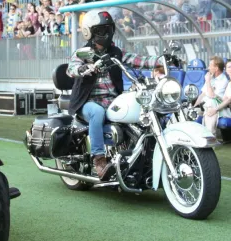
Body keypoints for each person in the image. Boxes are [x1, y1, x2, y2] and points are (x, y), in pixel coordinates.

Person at [66, 10, 177, 180]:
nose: (106, 33)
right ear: (90, 32)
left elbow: (139, 60)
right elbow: (71, 69)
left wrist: (162, 60)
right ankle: (99, 159)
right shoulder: (84, 52)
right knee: (97, 112)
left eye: (109, 28)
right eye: (101, 30)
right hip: (88, 102)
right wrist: (83, 69)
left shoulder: (116, 52)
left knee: (137, 107)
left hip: (112, 100)